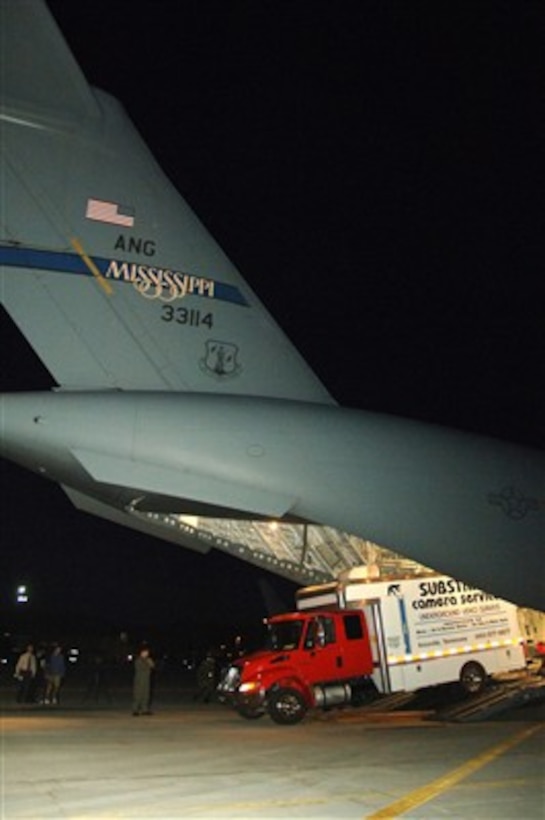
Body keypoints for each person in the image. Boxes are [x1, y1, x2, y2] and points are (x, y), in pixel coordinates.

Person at [132, 646, 155, 715]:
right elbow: (141, 668)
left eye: (147, 653)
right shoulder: (138, 660)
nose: (146, 654)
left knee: (146, 695)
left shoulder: (148, 660)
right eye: (145, 653)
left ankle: (145, 709)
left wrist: (150, 663)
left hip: (146, 680)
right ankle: (135, 710)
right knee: (138, 695)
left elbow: (153, 666)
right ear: (141, 653)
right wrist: (148, 664)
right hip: (139, 680)